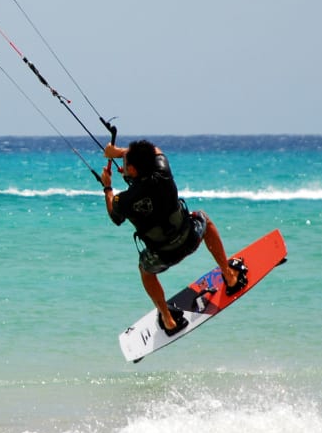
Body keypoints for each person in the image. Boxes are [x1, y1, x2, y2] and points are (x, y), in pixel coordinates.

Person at [101, 139, 247, 336]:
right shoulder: (163, 173)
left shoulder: (123, 200)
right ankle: (229, 276)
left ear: (134, 170)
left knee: (145, 270)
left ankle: (168, 320)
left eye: (127, 163)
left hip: (163, 256)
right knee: (204, 219)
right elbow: (154, 151)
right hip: (190, 238)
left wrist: (108, 187)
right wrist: (119, 152)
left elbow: (114, 216)